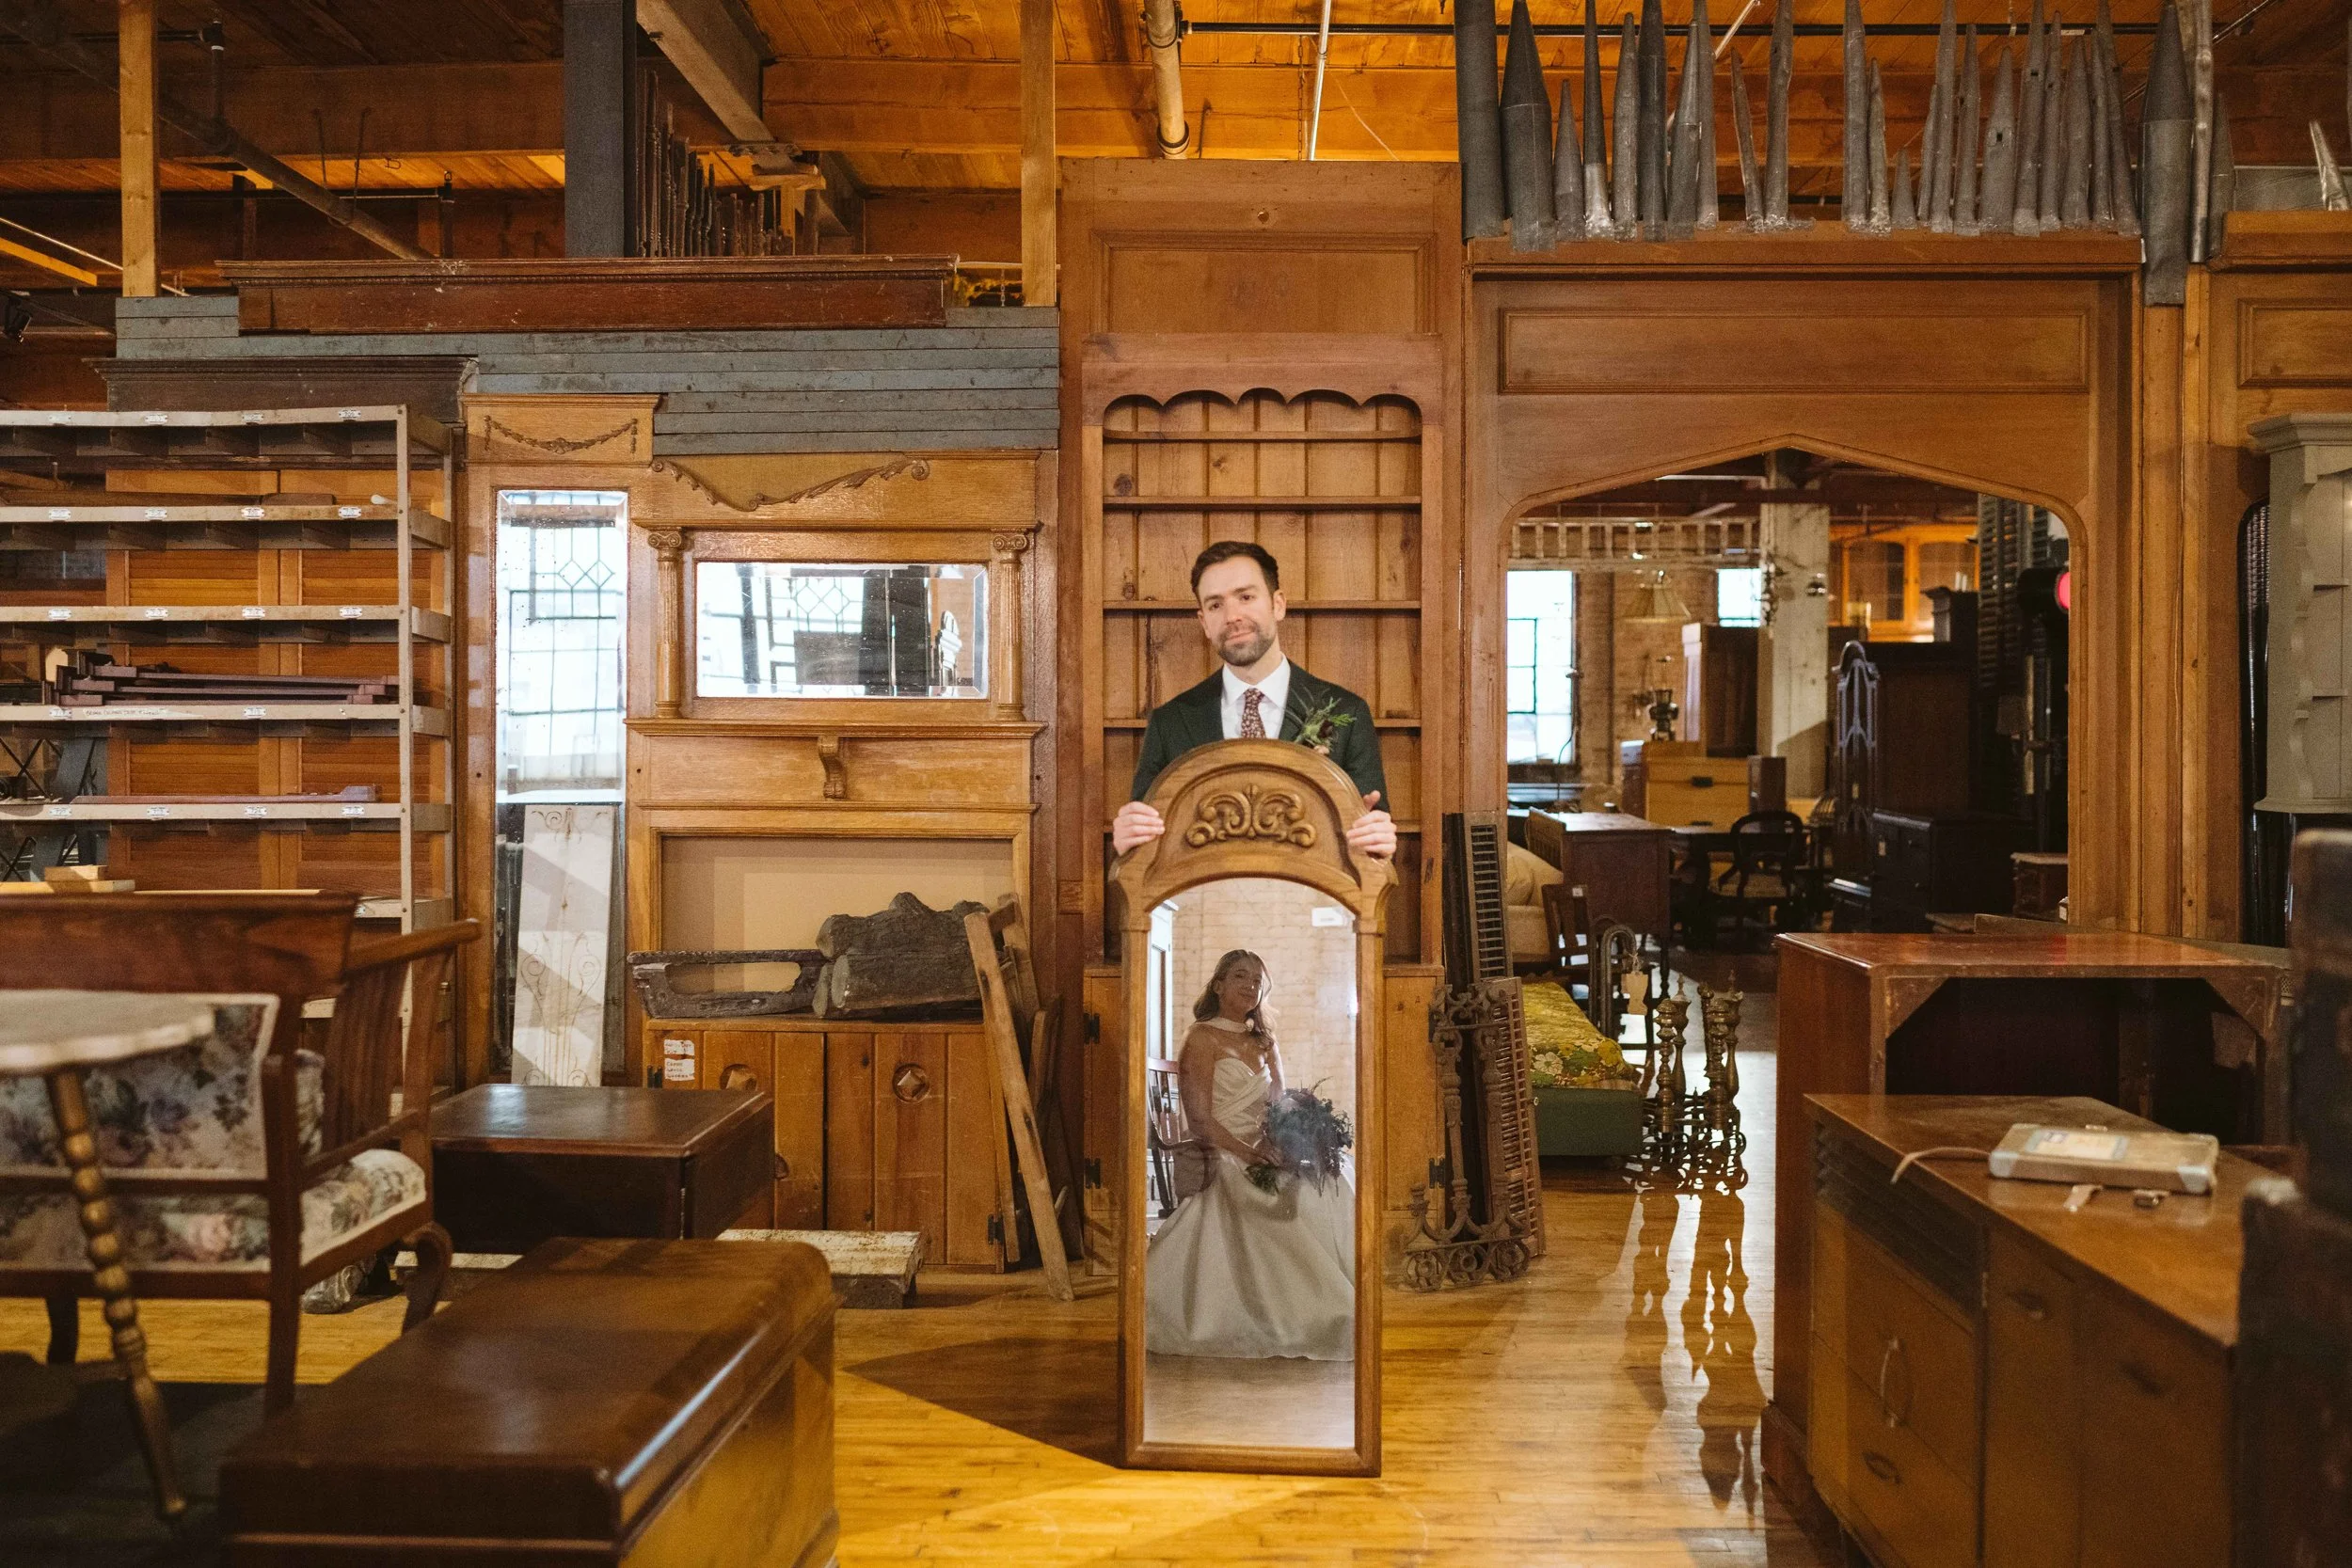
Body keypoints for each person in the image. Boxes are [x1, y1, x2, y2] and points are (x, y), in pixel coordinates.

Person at [1111, 541, 1398, 861]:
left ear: (1278, 604)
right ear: (1204, 623)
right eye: (1215, 605)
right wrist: (1128, 842)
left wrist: (1379, 843)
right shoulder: (1171, 722)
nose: (1232, 616)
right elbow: (1143, 852)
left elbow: (1374, 845)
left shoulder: (1346, 711)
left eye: (1245, 597)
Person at [1145, 949, 1355, 1362]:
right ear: (1218, 985)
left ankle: (1335, 1298)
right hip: (1223, 1149)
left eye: (1257, 980)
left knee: (1333, 1177)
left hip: (1264, 1148)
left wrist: (1288, 1143)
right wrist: (1248, 1153)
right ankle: (1297, 1309)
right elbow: (1200, 1120)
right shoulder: (1201, 1038)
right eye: (1240, 976)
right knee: (1275, 1194)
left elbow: (1278, 1107)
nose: (1250, 985)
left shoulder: (1264, 1042)